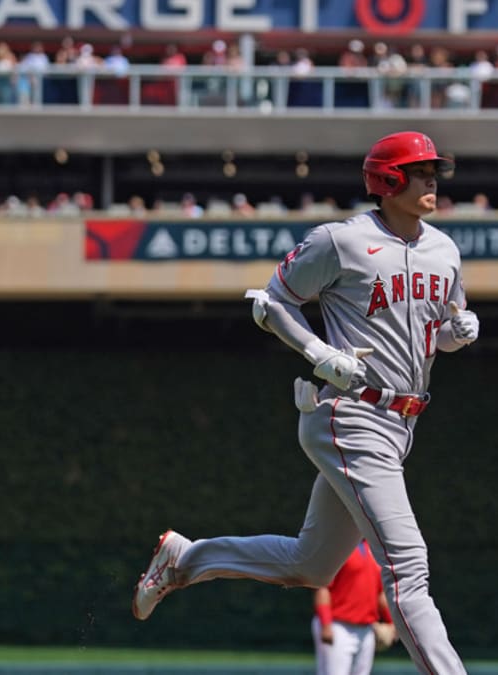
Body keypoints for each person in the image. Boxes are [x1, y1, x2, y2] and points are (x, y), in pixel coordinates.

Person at [132, 131, 478, 675]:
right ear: (388, 181)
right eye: (419, 170)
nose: (432, 178)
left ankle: (186, 559)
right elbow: (270, 302)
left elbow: (441, 330)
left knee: (311, 565)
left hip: (401, 422)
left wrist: (458, 332)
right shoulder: (340, 240)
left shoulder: (445, 249)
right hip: (350, 413)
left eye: (434, 168)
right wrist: (318, 350)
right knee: (409, 569)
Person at [313, 541, 396, 675]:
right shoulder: (337, 547)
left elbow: (379, 593)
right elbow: (323, 588)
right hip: (337, 626)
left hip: (367, 628)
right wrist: (326, 624)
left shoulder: (374, 550)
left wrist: (392, 623)